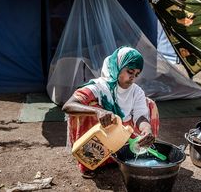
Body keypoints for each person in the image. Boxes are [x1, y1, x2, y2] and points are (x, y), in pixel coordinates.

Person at [62, 46, 159, 179]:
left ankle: (120, 157)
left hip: (123, 136)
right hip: (102, 136)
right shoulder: (99, 87)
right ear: (117, 67)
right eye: (130, 71)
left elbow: (140, 116)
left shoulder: (136, 91)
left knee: (150, 105)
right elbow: (68, 106)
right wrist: (97, 111)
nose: (133, 78)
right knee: (89, 106)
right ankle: (90, 162)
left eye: (136, 74)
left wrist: (147, 129)